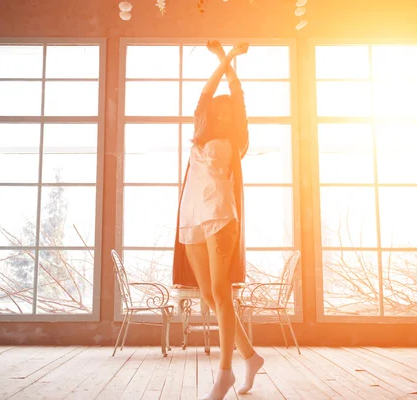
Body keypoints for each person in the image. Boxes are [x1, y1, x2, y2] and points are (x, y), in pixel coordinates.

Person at [172, 40, 264, 399]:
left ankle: (225, 372)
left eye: (228, 110)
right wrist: (221, 57)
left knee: (221, 294)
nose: (222, 112)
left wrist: (231, 60)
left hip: (220, 217)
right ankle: (251, 357)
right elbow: (206, 92)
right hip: (192, 216)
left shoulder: (234, 140)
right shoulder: (200, 129)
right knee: (209, 296)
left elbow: (235, 95)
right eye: (218, 109)